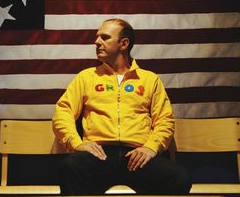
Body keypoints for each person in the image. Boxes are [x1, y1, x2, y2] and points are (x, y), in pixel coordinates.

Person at [52, 18, 192, 195]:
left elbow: (165, 120)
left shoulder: (149, 79)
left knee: (180, 176)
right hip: (98, 155)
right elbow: (63, 112)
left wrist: (151, 147)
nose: (96, 42)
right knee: (69, 167)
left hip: (137, 156)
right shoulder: (86, 77)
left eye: (104, 37)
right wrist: (76, 143)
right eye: (97, 37)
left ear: (123, 44)